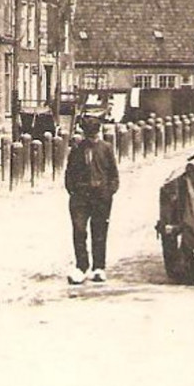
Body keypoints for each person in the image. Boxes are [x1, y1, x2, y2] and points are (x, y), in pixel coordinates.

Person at [64, 114, 120, 284]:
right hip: (81, 197)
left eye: (94, 134)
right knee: (79, 231)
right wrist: (73, 191)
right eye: (90, 134)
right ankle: (81, 266)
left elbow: (113, 174)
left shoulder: (106, 148)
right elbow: (70, 172)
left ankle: (98, 267)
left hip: (101, 196)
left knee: (99, 232)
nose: (92, 137)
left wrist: (109, 191)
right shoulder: (77, 149)